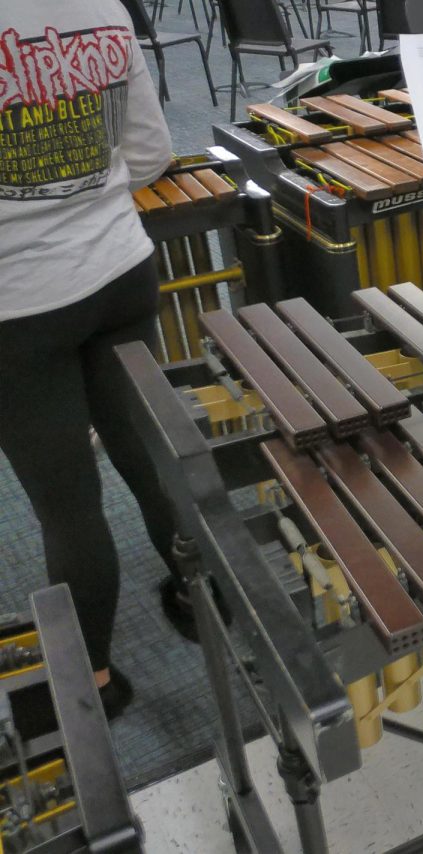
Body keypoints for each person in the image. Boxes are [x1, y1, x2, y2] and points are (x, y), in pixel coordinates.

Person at [0, 0, 178, 718]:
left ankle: (94, 682)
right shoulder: (101, 3)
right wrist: (85, 200)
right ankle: (205, 593)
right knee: (150, 455)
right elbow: (152, 153)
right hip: (121, 273)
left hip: (16, 308)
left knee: (67, 505)